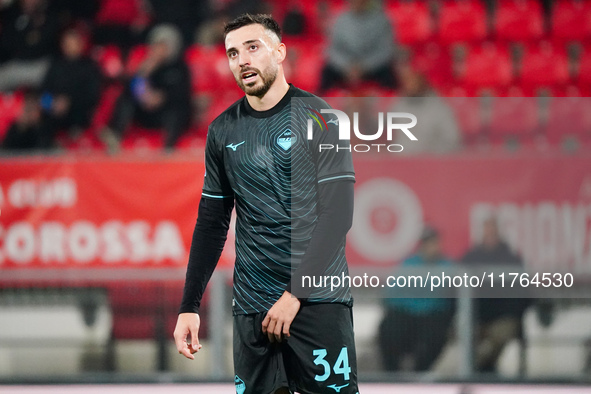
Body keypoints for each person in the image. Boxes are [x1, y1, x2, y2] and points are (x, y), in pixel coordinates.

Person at [173, 14, 359, 394]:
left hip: (316, 302)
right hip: (253, 307)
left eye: (253, 48)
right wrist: (188, 306)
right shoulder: (222, 131)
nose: (242, 60)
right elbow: (211, 224)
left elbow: (337, 216)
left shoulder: (321, 118)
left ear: (280, 52)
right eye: (232, 53)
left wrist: (295, 296)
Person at [101, 24, 191, 150]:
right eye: (157, 45)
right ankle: (115, 136)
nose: (160, 49)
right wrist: (143, 74)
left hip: (166, 110)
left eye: (164, 45)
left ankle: (169, 147)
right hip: (146, 111)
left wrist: (162, 97)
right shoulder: (146, 65)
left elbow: (182, 93)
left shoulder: (180, 67)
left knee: (177, 111)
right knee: (125, 100)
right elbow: (129, 90)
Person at [379, 227, 455, 371]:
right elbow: (391, 293)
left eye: (434, 243)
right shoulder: (409, 264)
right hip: (407, 314)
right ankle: (392, 374)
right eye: (428, 243)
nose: (431, 247)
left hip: (433, 316)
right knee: (388, 328)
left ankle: (420, 373)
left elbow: (449, 297)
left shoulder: (448, 266)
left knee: (435, 334)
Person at [462, 217, 530, 372]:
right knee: (464, 332)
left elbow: (522, 293)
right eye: (487, 230)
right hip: (476, 318)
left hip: (503, 317)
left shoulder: (511, 260)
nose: (490, 234)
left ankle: (481, 367)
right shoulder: (471, 258)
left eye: (493, 230)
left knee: (502, 333)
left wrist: (513, 313)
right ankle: (479, 368)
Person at [38, 27, 102, 149]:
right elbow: (42, 92)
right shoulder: (55, 65)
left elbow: (93, 95)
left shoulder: (90, 67)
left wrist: (69, 102)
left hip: (79, 112)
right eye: (66, 43)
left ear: (80, 45)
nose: (69, 47)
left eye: (73, 43)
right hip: (54, 111)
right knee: (41, 115)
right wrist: (52, 103)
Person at [320, 0, 397, 93]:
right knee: (326, 73)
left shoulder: (381, 20)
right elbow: (332, 49)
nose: (357, 3)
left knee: (389, 77)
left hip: (372, 66)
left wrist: (364, 66)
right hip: (345, 66)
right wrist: (347, 66)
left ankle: (390, 105)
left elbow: (386, 49)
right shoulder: (339, 21)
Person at [393, 66, 461, 154]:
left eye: (413, 81)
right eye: (407, 81)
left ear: (422, 81)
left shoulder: (439, 108)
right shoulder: (398, 106)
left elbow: (452, 139)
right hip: (400, 162)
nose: (409, 85)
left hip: (431, 162)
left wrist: (431, 155)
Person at [0, 0, 60, 91]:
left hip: (42, 64)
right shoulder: (12, 14)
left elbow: (50, 43)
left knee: (54, 85)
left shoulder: (50, 16)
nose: (29, 2)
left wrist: (38, 25)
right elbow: (8, 43)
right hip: (17, 63)